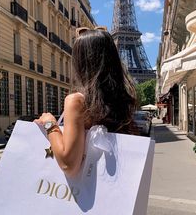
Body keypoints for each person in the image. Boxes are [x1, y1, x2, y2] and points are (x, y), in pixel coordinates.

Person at [34, 27, 137, 177]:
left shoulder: (77, 101)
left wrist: (50, 123)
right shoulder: (122, 100)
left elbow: (69, 165)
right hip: (112, 193)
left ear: (80, 62)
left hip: (82, 198)